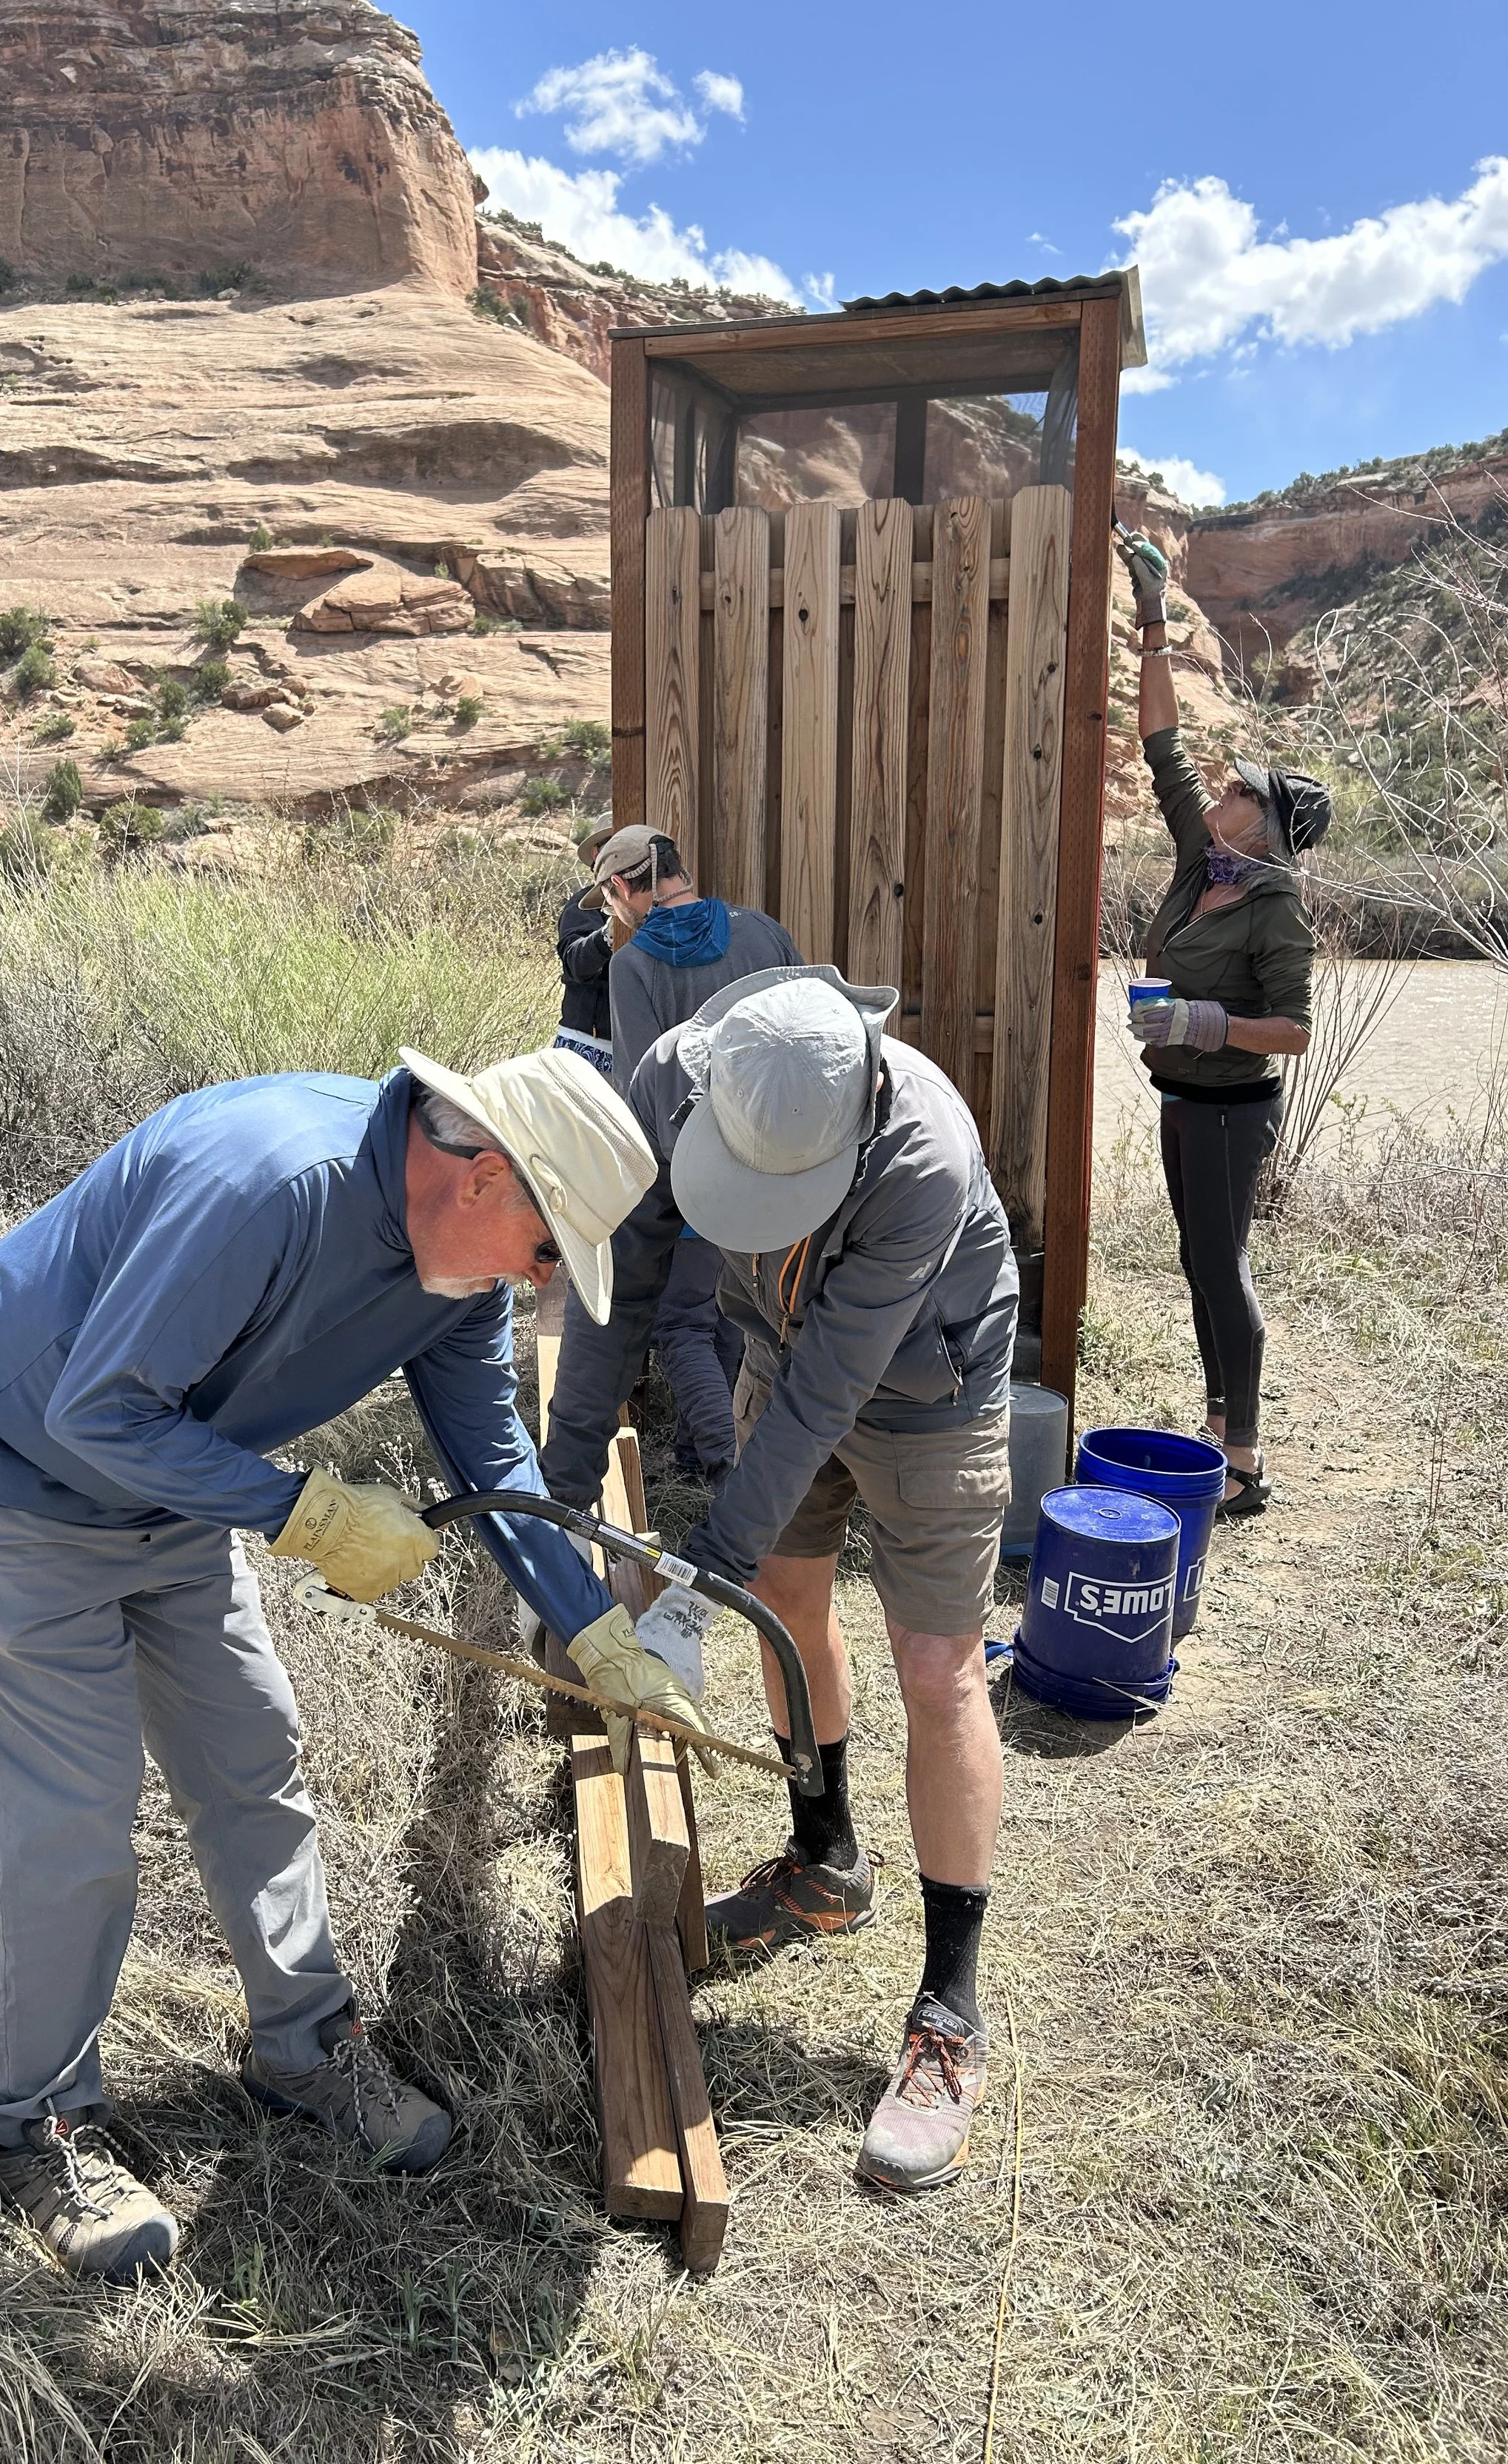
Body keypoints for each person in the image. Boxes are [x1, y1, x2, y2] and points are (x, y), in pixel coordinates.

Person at [0, 1045, 696, 2280]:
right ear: (482, 1179)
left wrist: (590, 1626)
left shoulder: (453, 1272)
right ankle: (34, 2122)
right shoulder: (270, 1179)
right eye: (544, 1252)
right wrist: (303, 1512)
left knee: (253, 1756)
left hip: (163, 1486)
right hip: (2, 1484)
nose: (540, 1288)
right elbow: (93, 1409)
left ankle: (305, 2046)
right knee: (74, 1824)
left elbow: (491, 1454)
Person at [542, 965, 1019, 2193]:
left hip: (930, 1388)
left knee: (938, 1662)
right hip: (781, 1349)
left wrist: (698, 1586)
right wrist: (555, 1492)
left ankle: (951, 2016)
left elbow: (825, 1400)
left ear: (857, 1110)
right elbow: (622, 1287)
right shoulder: (676, 1075)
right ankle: (825, 1860)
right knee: (790, 1605)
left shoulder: (922, 1153)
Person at [1116, 529, 1328, 1515]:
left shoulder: (1277, 906)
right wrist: (1152, 618)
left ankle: (1241, 1457)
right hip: (1180, 1095)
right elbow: (1162, 745)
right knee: (1199, 1263)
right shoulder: (1206, 860)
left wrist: (1204, 1022)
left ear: (1270, 826)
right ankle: (1217, 1427)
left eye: (1243, 792)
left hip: (1231, 1109)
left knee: (1221, 1264)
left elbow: (1292, 1029)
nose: (1226, 792)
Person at [589, 822, 802, 1484]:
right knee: (739, 1313)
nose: (612, 913)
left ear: (623, 886)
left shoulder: (633, 966)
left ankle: (726, 1463)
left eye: (608, 900)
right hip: (780, 1162)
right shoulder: (761, 932)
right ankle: (698, 1449)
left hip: (692, 1174)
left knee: (681, 1325)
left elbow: (641, 1087)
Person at [553, 823, 617, 1078]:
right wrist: (609, 935)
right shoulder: (582, 906)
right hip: (588, 1045)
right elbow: (576, 962)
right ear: (597, 854)